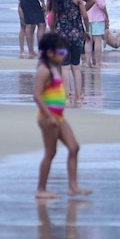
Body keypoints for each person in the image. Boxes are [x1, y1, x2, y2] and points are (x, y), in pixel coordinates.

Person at [33, 32, 92, 199]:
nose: (63, 55)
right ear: (49, 52)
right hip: (48, 118)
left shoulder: (54, 67)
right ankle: (41, 189)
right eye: (60, 52)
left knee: (74, 147)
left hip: (59, 116)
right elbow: (37, 95)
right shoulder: (44, 70)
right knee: (50, 153)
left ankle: (73, 187)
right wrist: (48, 116)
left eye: (64, 52)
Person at [47, 0, 90, 102]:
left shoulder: (56, 0)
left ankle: (66, 97)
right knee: (76, 67)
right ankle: (78, 97)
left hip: (62, 37)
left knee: (65, 67)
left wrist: (53, 32)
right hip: (77, 35)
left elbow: (52, 21)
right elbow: (85, 16)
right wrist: (86, 30)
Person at [76, 0, 108, 68]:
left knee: (88, 40)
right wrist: (106, 15)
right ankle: (97, 63)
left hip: (86, 16)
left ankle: (86, 62)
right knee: (97, 39)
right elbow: (101, 3)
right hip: (97, 16)